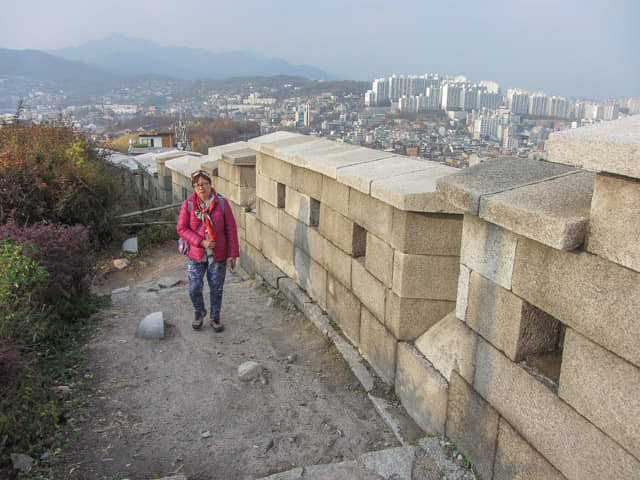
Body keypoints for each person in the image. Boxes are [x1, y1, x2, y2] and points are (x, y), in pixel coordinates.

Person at [177, 170, 239, 332]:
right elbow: (181, 229)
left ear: (211, 185)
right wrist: (200, 242)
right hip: (196, 254)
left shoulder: (222, 204)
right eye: (197, 185)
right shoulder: (189, 205)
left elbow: (231, 229)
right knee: (194, 287)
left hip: (218, 254)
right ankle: (199, 311)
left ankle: (215, 317)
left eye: (204, 183)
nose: (201, 187)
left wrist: (233, 254)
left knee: (216, 287)